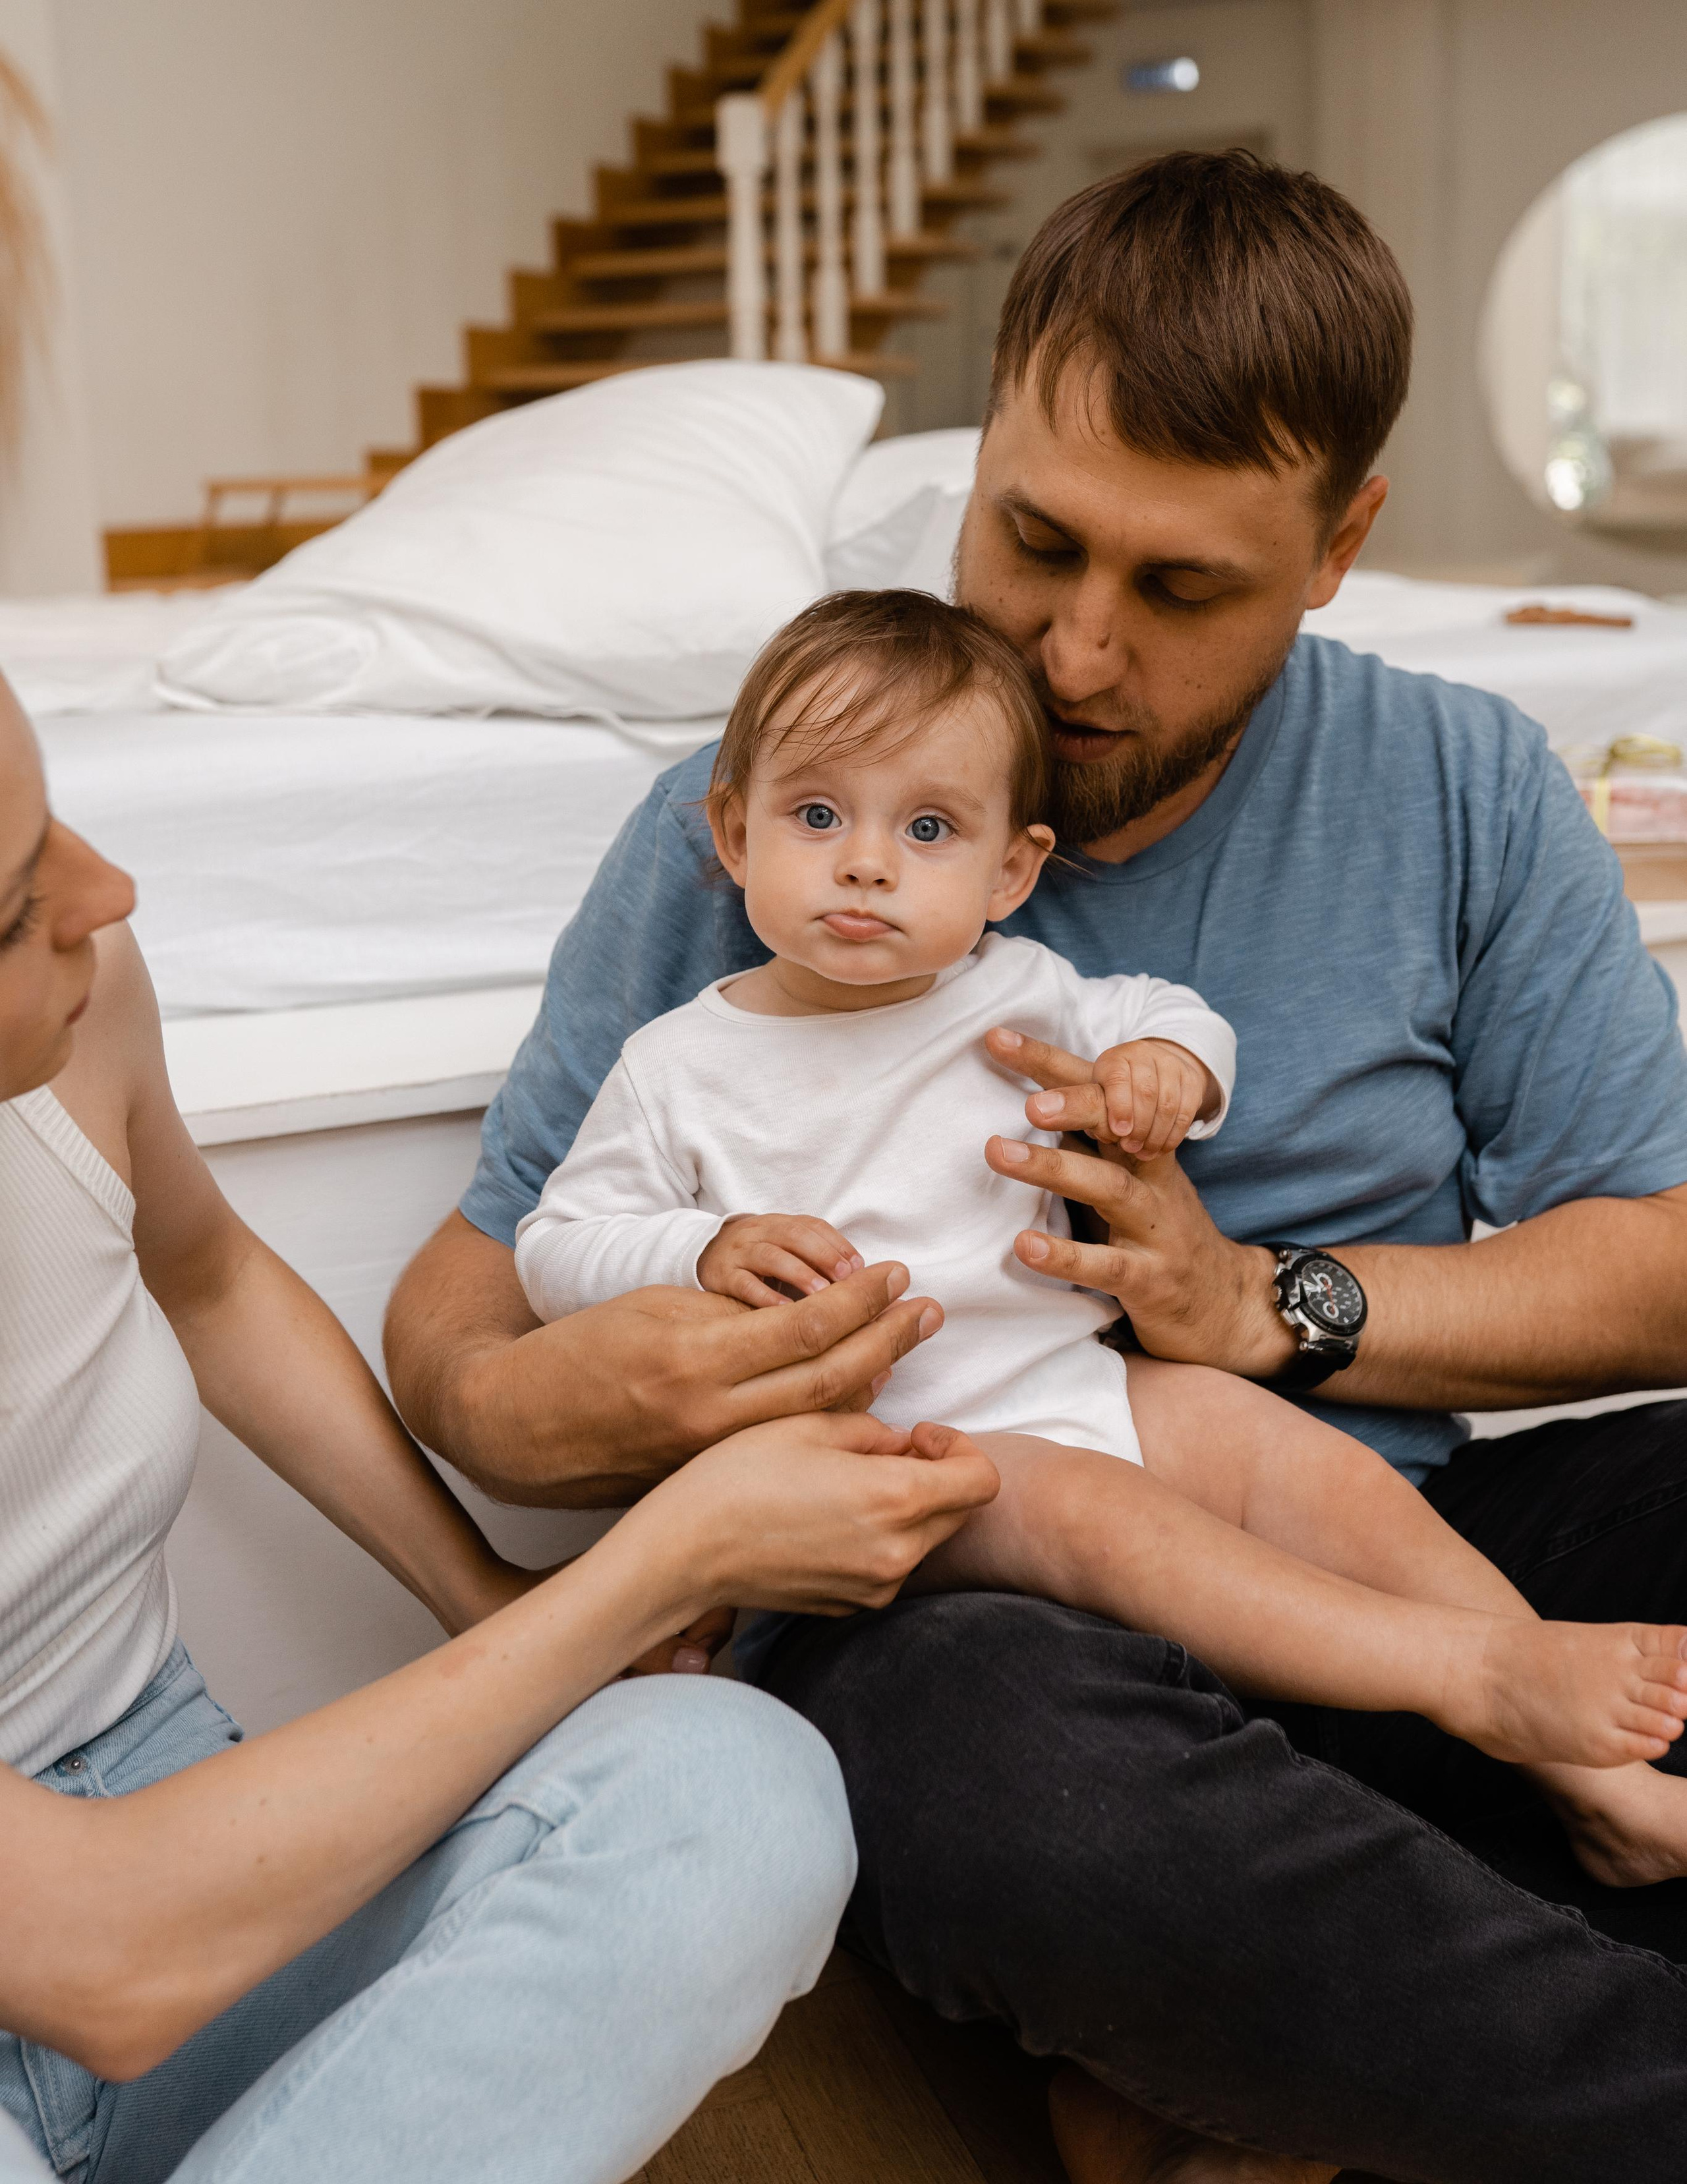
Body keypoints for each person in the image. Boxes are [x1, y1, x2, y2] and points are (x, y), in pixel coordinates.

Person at [386, 150, 1687, 2184]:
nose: (1076, 653)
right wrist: (574, 1398)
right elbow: (471, 1299)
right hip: (981, 1597)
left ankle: (1275, 2040)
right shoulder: (770, 823)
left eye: (1181, 591)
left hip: (1395, 1539)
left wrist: (1266, 1308)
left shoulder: (1462, 781)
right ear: (985, 437)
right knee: (1000, 1779)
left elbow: (1663, 1256)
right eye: (1033, 538)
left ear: (1340, 545)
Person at [0, 668, 999, 2184]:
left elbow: (203, 1279)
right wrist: (660, 1560)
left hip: (158, 1777)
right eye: (14, 901)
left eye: (51, 819)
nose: (106, 887)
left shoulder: (79, 1005)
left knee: (730, 1793)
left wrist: (478, 1589)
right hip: (100, 1925)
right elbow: (100, 1956)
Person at [521, 580, 1687, 1877]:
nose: (863, 862)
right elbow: (558, 1241)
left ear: (1010, 870)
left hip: (1073, 1382)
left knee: (1291, 1458)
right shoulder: (681, 1063)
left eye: (925, 828)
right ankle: (1465, 1674)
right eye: (813, 815)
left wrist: (1164, 1073)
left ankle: (1588, 1767)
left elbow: (1174, 1015)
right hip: (881, 1456)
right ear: (731, 835)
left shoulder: (1016, 989)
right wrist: (691, 1252)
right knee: (1090, 1515)